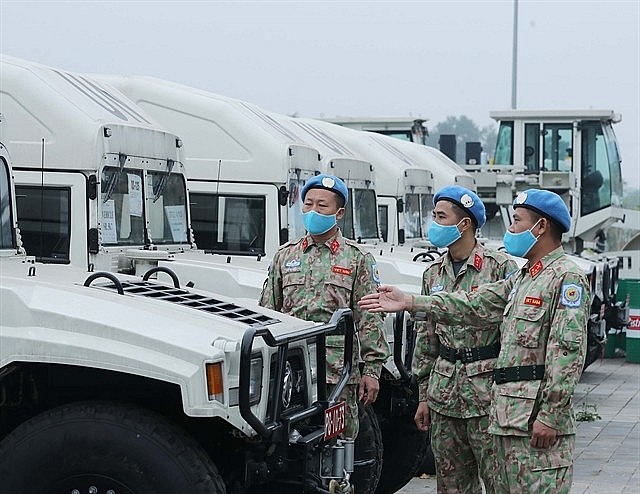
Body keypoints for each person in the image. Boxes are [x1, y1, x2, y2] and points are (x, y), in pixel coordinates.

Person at [360, 189, 589, 493]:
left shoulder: (565, 278)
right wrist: (411, 301)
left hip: (531, 415)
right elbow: (472, 303)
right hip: (509, 414)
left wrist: (551, 414)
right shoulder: (524, 278)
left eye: (517, 222)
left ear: (542, 227)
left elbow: (567, 354)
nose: (510, 231)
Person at [260, 174, 390, 439]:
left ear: (339, 213)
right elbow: (267, 311)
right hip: (292, 372)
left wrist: (373, 371)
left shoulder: (357, 258)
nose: (313, 211)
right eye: (308, 205)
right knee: (291, 442)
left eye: (322, 206)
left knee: (337, 444)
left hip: (337, 375)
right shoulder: (285, 255)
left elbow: (370, 317)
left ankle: (340, 483)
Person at [413, 185, 517, 493]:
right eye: (434, 215)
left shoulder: (500, 268)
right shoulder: (432, 274)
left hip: (487, 396)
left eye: (441, 216)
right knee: (451, 486)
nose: (434, 222)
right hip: (444, 394)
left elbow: (512, 336)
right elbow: (426, 337)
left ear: (464, 224)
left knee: (499, 482)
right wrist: (423, 394)